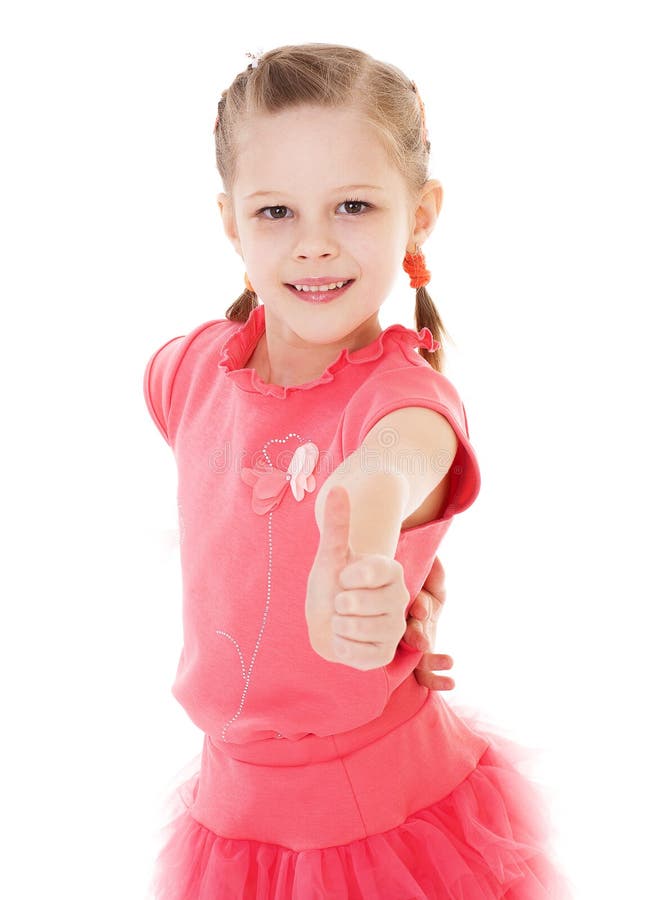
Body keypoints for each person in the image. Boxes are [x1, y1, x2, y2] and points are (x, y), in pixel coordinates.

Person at [142, 43, 571, 899]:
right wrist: (423, 580)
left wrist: (367, 542)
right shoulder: (186, 371)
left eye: (352, 206)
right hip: (230, 814)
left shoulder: (404, 401)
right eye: (275, 212)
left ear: (418, 216)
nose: (312, 245)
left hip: (371, 831)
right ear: (229, 222)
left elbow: (393, 464)